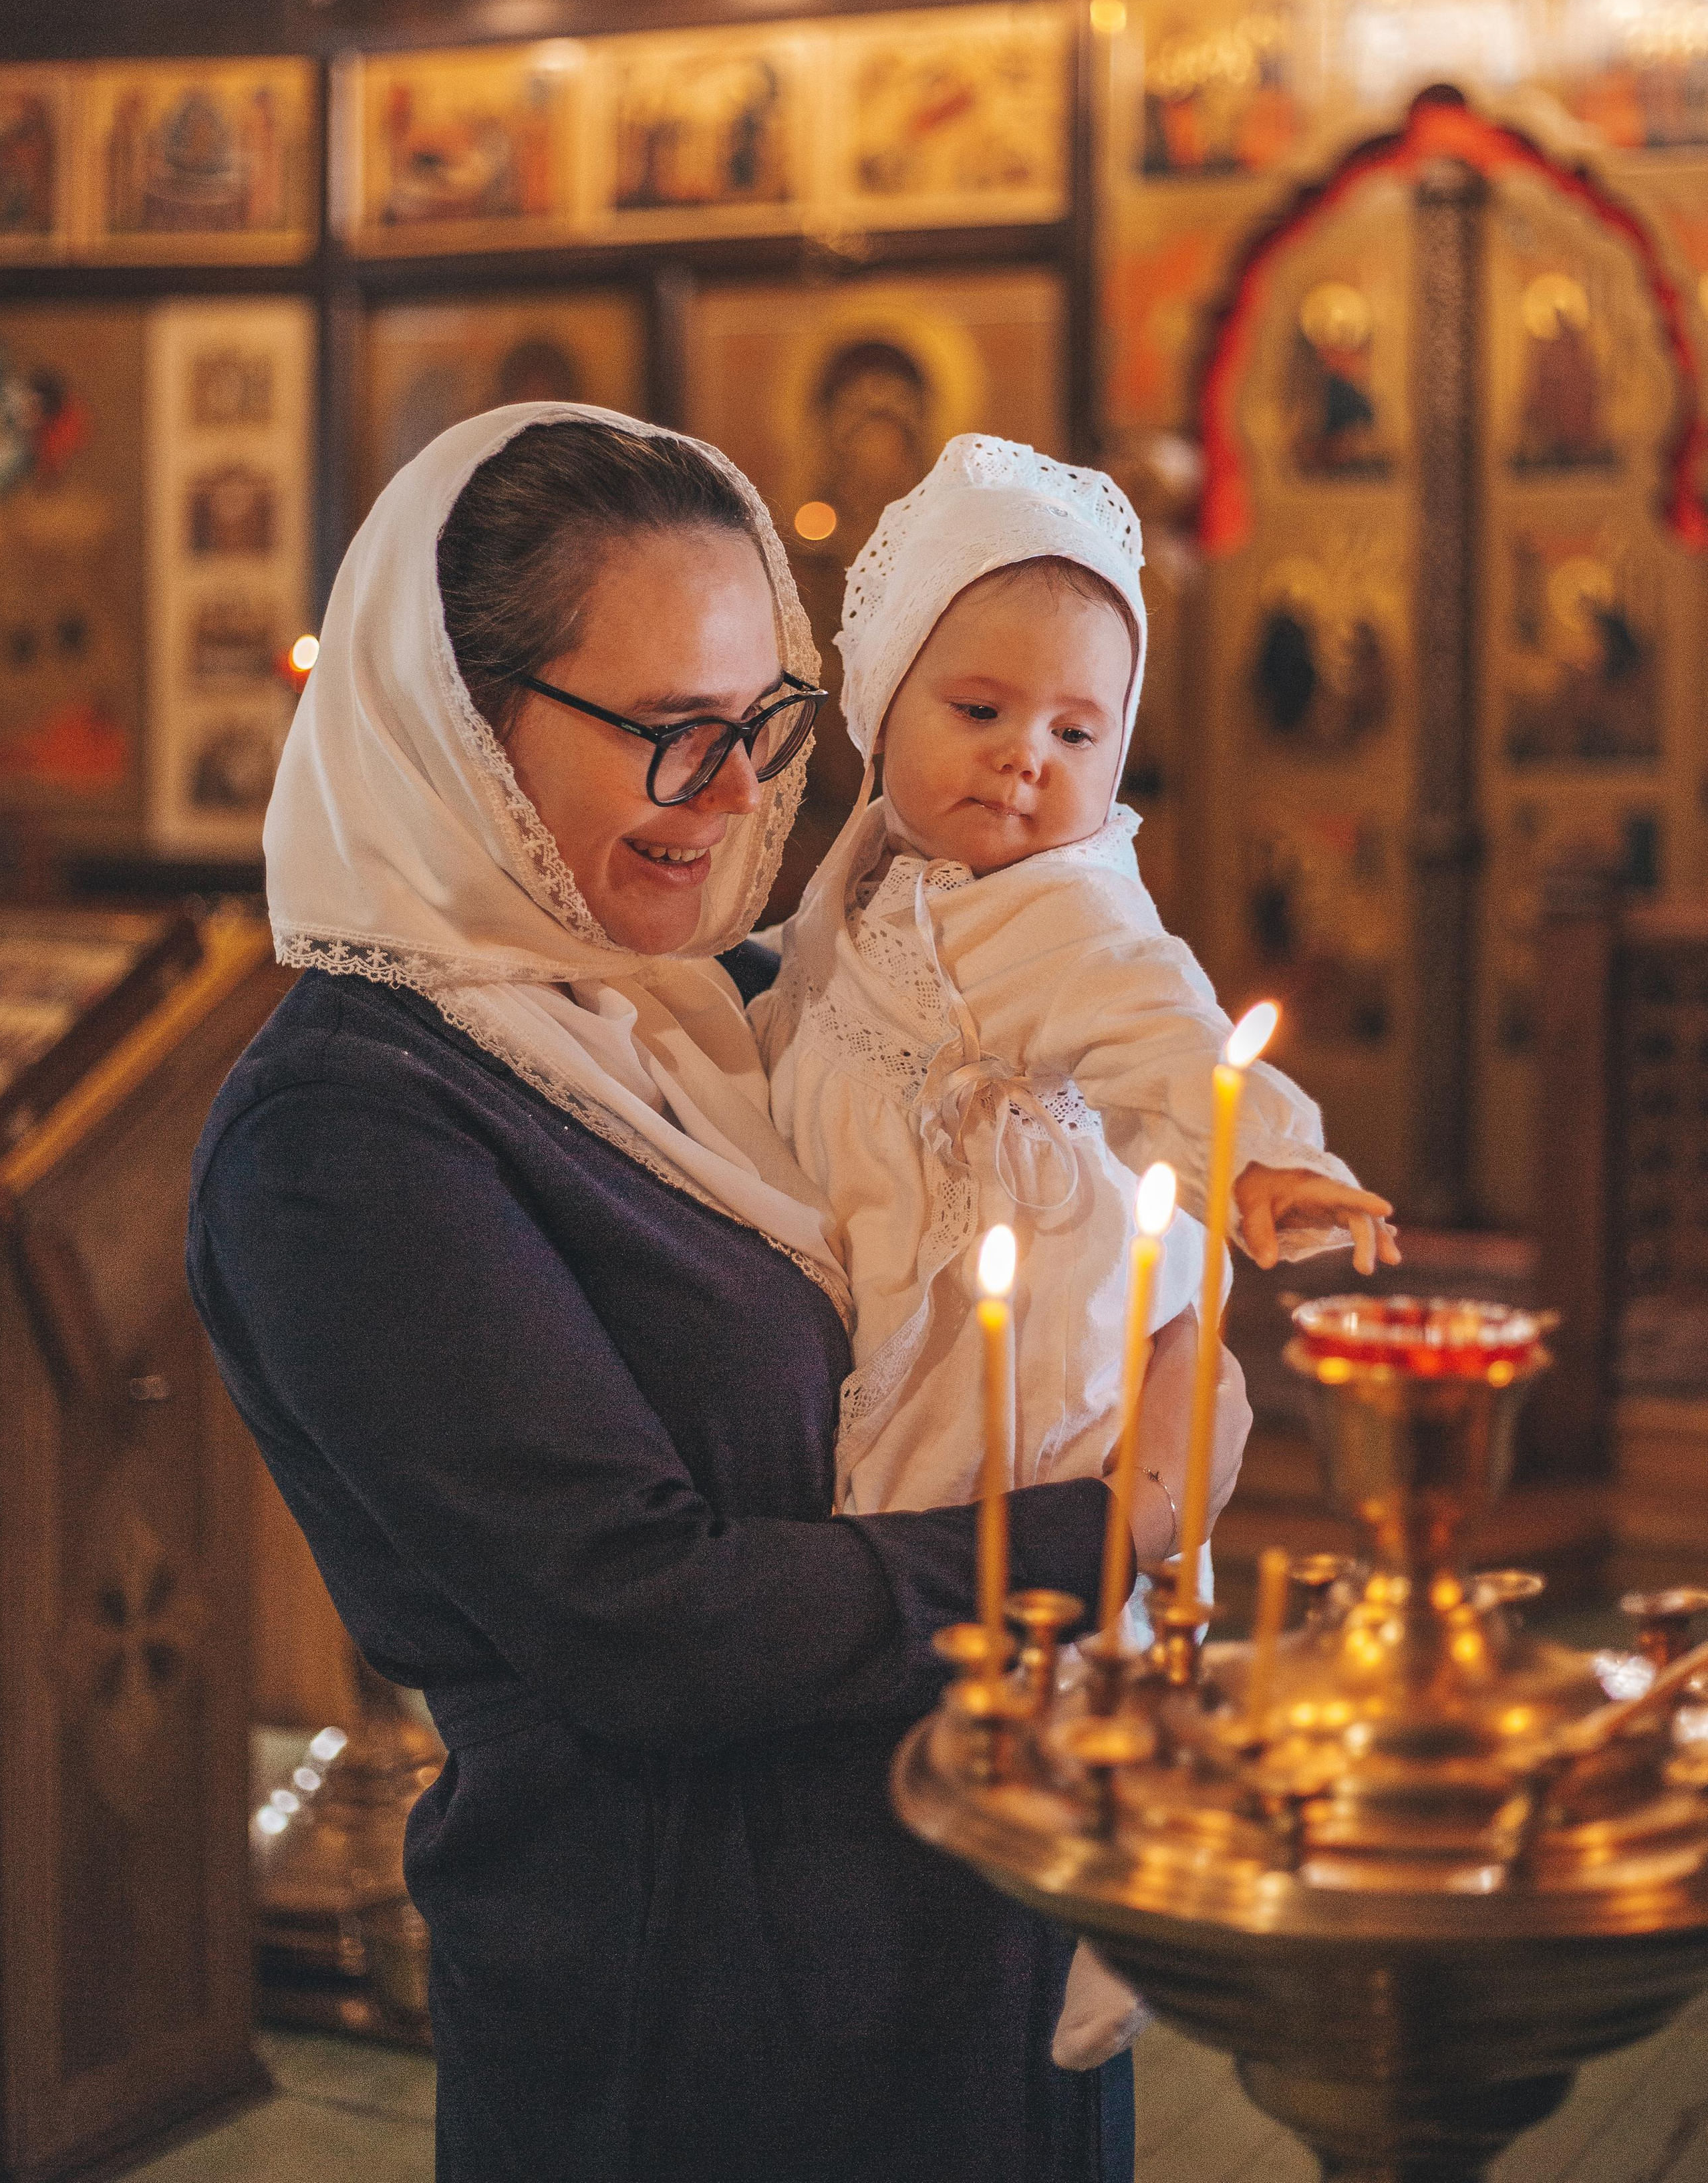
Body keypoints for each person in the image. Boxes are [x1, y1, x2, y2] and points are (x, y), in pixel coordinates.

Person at [185, 402, 1252, 2183]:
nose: (746, 792)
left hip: (968, 1911)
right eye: (675, 732)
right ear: (458, 719)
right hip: (698, 2010)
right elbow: (647, 1622)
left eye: (763, 723)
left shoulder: (713, 1008)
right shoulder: (350, 1127)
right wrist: (1105, 1530)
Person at [754, 434, 1399, 2063]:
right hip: (896, 1291)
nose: (1023, 764)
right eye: (978, 711)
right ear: (881, 706)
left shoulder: (1071, 907)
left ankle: (1100, 1906)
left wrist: (1272, 1161)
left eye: (1073, 731)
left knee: (1031, 1594)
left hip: (1019, 1311)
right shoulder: (854, 885)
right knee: (926, 1601)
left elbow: (1174, 1037)